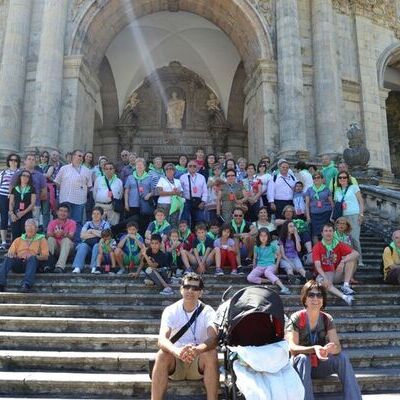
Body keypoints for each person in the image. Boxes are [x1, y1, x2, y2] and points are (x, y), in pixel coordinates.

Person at [286, 280, 362, 400]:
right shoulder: (296, 317)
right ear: (305, 299)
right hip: (300, 367)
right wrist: (314, 348)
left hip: (318, 364)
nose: (315, 298)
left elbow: (337, 347)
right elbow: (292, 348)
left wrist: (330, 349)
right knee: (303, 358)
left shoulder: (327, 319)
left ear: (323, 300)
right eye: (311, 295)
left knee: (342, 357)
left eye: (319, 295)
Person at [151, 272, 218, 400]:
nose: (190, 291)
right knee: (162, 354)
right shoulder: (171, 310)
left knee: (211, 353)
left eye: (195, 288)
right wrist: (176, 351)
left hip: (198, 360)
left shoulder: (208, 311)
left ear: (201, 292)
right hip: (175, 360)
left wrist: (197, 350)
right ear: (181, 289)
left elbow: (213, 338)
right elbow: (162, 339)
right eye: (187, 287)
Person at [312, 223, 359, 305]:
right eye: (326, 231)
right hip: (325, 273)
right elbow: (318, 266)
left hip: (337, 272)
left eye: (330, 231)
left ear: (333, 233)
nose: (328, 233)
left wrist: (342, 261)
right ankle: (346, 297)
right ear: (322, 234)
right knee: (322, 282)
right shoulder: (317, 246)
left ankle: (346, 285)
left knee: (352, 259)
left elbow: (356, 253)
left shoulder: (338, 244)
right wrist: (325, 277)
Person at [0, 219, 49, 292]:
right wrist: (13, 255)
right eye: (28, 227)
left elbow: (45, 257)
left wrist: (34, 256)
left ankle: (26, 284)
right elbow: (9, 253)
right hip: (19, 263)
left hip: (32, 264)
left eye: (32, 227)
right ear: (25, 228)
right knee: (8, 258)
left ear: (36, 229)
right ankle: (1, 283)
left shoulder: (41, 239)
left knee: (32, 258)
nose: (30, 229)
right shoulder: (18, 240)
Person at [333, 171, 364, 265]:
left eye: (344, 177)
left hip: (354, 214)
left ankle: (359, 260)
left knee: (354, 238)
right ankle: (349, 259)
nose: (342, 179)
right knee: (346, 239)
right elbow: (336, 205)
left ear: (348, 178)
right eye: (340, 178)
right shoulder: (337, 190)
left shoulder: (354, 187)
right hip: (343, 216)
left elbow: (361, 201)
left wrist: (361, 214)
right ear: (338, 180)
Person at [54, 149, 92, 225]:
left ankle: (75, 237)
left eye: (82, 156)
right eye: (79, 156)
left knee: (76, 222)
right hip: (66, 199)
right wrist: (65, 189)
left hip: (80, 201)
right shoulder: (64, 168)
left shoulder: (87, 171)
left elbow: (89, 186)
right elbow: (57, 182)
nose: (81, 158)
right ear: (73, 156)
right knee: (63, 221)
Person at [247, 228, 290, 294]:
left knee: (267, 272)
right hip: (260, 266)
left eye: (265, 236)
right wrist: (253, 268)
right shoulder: (256, 247)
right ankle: (269, 280)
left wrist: (276, 266)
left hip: (270, 265)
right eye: (261, 235)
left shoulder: (272, 245)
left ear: (268, 236)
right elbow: (255, 258)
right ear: (259, 237)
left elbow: (279, 254)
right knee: (250, 277)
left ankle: (283, 288)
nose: (263, 237)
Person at [71, 206, 110, 274]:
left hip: (101, 250)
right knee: (83, 245)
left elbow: (106, 236)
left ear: (101, 215)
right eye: (93, 213)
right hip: (88, 247)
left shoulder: (105, 224)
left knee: (97, 245)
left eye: (98, 214)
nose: (95, 215)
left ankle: (94, 267)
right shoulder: (88, 223)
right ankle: (77, 267)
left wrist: (91, 231)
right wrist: (98, 233)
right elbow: (82, 236)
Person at [10, 153, 47, 224]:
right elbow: (11, 189)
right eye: (29, 159)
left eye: (33, 160)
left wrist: (33, 200)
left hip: (35, 206)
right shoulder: (18, 174)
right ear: (25, 161)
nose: (31, 161)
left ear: (35, 162)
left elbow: (44, 193)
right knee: (17, 227)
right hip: (18, 205)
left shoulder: (40, 176)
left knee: (33, 227)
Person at [124, 157, 154, 235]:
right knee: (132, 224)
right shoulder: (130, 177)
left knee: (144, 223)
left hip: (145, 204)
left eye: (141, 165)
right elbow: (126, 191)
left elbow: (154, 190)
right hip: (133, 204)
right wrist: (126, 204)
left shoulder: (149, 177)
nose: (139, 166)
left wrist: (149, 194)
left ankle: (143, 239)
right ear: (135, 167)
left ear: (144, 167)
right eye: (138, 165)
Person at [46, 203, 76, 273]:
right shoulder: (52, 222)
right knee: (50, 239)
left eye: (65, 211)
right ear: (57, 212)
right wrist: (55, 234)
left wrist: (63, 234)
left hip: (68, 249)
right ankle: (49, 264)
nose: (63, 213)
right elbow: (47, 235)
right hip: (56, 248)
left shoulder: (72, 223)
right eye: (61, 211)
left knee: (66, 240)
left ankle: (60, 266)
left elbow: (71, 237)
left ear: (68, 214)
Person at [305, 172, 333, 243]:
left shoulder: (326, 189)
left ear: (322, 179)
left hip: (326, 213)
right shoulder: (309, 190)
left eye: (318, 177)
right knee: (315, 233)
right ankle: (317, 250)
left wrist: (332, 215)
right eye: (314, 178)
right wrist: (308, 216)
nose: (316, 179)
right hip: (314, 214)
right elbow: (307, 204)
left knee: (326, 232)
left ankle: (327, 250)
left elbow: (331, 203)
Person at [9, 169, 36, 242]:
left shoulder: (32, 189)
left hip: (27, 214)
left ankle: (24, 252)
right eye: (23, 175)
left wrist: (23, 212)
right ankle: (13, 252)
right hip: (16, 214)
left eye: (28, 176)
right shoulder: (14, 189)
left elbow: (33, 203)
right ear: (20, 177)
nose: (25, 177)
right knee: (15, 234)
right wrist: (11, 213)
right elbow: (11, 202)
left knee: (25, 234)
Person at [0, 153, 21, 249]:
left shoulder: (20, 172)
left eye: (15, 160)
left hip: (15, 197)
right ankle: (4, 242)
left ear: (18, 162)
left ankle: (14, 242)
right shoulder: (3, 172)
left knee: (14, 218)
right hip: (3, 196)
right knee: (4, 217)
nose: (13, 162)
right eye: (11, 160)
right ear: (8, 161)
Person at [180, 160, 208, 228]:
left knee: (200, 221)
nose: (192, 167)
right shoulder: (183, 177)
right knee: (185, 220)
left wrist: (203, 202)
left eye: (194, 166)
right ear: (187, 167)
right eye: (190, 166)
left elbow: (205, 191)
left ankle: (199, 236)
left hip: (198, 202)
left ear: (197, 167)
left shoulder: (201, 177)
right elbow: (180, 190)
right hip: (187, 201)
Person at [156, 163, 184, 228]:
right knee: (163, 222)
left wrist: (177, 192)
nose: (169, 170)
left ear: (174, 171)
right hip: (163, 204)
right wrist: (172, 193)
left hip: (175, 204)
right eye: (167, 169)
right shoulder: (161, 180)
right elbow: (160, 192)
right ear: (165, 171)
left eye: (171, 169)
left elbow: (181, 193)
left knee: (174, 222)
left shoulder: (177, 181)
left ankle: (173, 237)